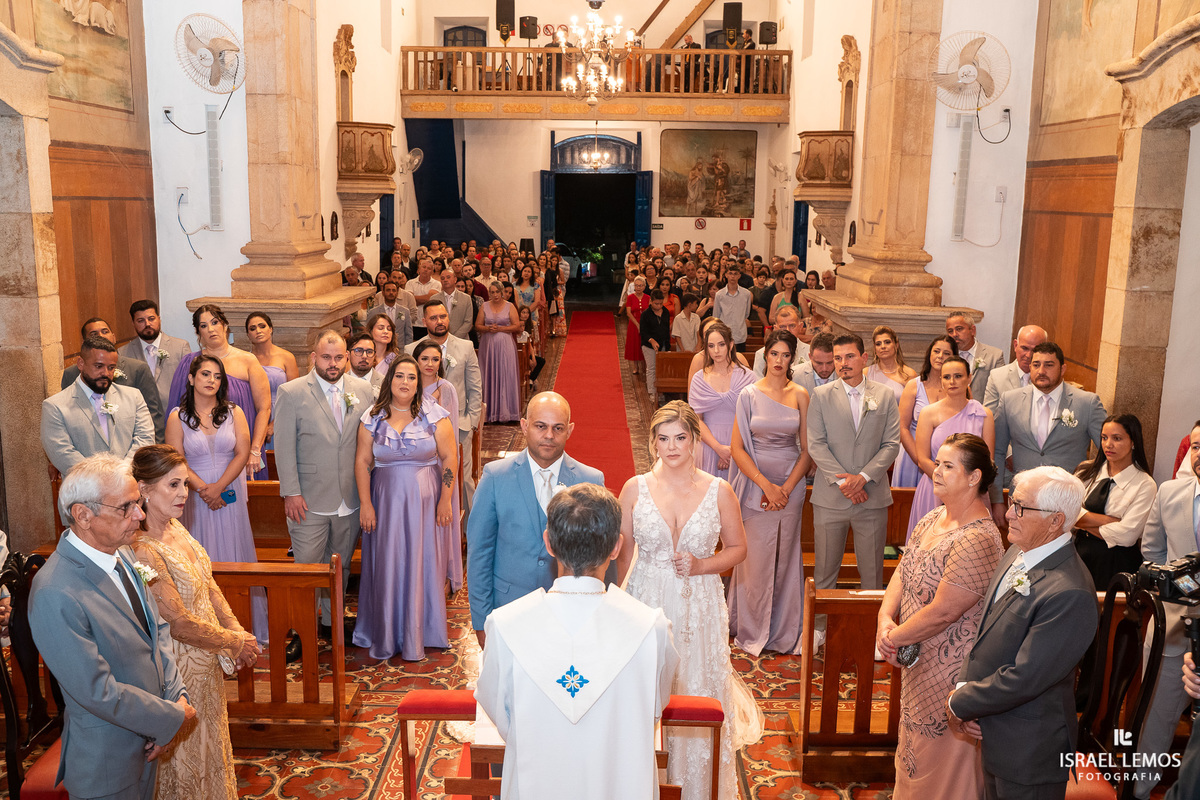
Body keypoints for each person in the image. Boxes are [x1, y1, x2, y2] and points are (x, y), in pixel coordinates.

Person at [475, 483, 679, 800]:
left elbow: (502, 716)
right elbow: (653, 707)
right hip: (620, 782)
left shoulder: (505, 626)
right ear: (616, 547)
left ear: (549, 543)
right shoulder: (651, 628)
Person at [617, 401, 764, 800]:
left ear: (695, 441)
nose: (672, 447)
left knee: (695, 684)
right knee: (649, 691)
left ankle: (696, 786)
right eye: (663, 439)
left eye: (680, 438)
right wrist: (614, 605)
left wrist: (702, 565)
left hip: (699, 605)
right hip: (646, 599)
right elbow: (623, 554)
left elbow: (738, 549)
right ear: (653, 443)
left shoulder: (720, 490)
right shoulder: (634, 488)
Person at [29, 454, 195, 800]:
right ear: (83, 515)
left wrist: (175, 694)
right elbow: (96, 690)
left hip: (147, 742)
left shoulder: (124, 554)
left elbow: (156, 633)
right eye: (126, 507)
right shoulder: (55, 590)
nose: (140, 514)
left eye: (138, 502)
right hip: (107, 761)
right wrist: (169, 718)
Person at [948, 465, 1098, 799]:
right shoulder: (1018, 550)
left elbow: (1026, 676)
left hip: (1030, 750)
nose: (1009, 514)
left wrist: (962, 701)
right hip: (996, 729)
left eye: (1022, 507)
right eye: (1011, 501)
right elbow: (987, 633)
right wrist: (969, 690)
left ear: (1055, 521)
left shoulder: (1070, 591)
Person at [876, 434, 1004, 799]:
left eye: (949, 466)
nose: (937, 471)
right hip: (919, 661)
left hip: (951, 668)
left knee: (945, 760)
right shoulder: (933, 517)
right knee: (913, 747)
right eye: (938, 463)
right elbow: (904, 568)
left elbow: (946, 610)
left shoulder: (978, 536)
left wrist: (894, 637)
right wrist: (886, 617)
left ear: (974, 477)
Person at [131, 445, 260, 800]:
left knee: (211, 750)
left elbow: (209, 584)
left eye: (185, 484)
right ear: (143, 489)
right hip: (179, 668)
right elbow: (178, 622)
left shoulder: (177, 527)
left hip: (207, 664)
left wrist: (238, 632)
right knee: (186, 760)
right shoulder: (144, 548)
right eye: (172, 485)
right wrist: (234, 643)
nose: (183, 494)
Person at [467, 392, 605, 646]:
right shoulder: (496, 477)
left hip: (570, 614)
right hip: (508, 609)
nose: (549, 435)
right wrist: (481, 620)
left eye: (558, 428)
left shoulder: (591, 480)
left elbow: (601, 557)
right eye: (541, 426)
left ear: (570, 430)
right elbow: (480, 553)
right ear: (524, 425)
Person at [273, 331, 374, 658]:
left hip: (350, 498)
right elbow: (284, 446)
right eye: (326, 357)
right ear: (313, 358)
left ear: (347, 358)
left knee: (339, 566)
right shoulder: (291, 392)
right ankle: (303, 631)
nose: (333, 363)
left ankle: (332, 626)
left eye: (338, 357)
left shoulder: (362, 390)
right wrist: (290, 492)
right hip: (309, 500)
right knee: (308, 568)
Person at [354, 355, 458, 661]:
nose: (405, 383)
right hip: (385, 500)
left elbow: (450, 458)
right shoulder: (372, 417)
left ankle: (422, 631)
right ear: (390, 380)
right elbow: (361, 462)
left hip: (425, 500)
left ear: (418, 382)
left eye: (411, 378)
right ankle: (386, 632)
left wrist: (445, 500)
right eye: (399, 376)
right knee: (389, 561)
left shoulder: (435, 415)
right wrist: (365, 504)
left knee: (422, 561)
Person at [166, 354, 268, 639]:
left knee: (236, 551)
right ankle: (207, 630)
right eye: (205, 375)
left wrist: (219, 487)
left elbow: (242, 452)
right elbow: (177, 459)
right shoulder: (178, 416)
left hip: (229, 492)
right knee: (200, 557)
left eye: (217, 376)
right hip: (195, 497)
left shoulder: (234, 412)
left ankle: (244, 624)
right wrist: (203, 489)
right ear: (191, 379)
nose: (211, 381)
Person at [728, 331, 813, 656]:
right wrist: (766, 485)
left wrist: (787, 490)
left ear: (793, 358)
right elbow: (737, 448)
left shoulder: (801, 394)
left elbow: (807, 451)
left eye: (786, 355)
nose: (779, 361)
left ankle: (781, 632)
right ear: (766, 356)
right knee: (756, 560)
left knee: (786, 560)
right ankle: (750, 628)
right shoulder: (748, 395)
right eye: (774, 354)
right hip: (755, 487)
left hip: (790, 489)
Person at [1134, 422, 1200, 800]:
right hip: (1172, 626)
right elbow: (1153, 554)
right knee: (1154, 722)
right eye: (1195, 446)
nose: (1199, 454)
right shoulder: (1171, 493)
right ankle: (1139, 792)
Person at [806, 333, 902, 591]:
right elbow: (816, 444)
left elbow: (892, 443)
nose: (842, 363)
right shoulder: (821, 395)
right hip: (830, 500)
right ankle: (821, 631)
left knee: (872, 575)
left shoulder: (884, 395)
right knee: (825, 574)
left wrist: (863, 478)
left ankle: (873, 630)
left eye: (849, 356)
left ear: (864, 358)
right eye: (838, 358)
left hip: (871, 498)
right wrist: (846, 483)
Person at [990, 342, 1106, 529]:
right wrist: (996, 500)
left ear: (1063, 369)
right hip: (1022, 501)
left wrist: (1093, 489)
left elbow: (1107, 451)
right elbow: (997, 452)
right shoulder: (1009, 401)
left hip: (1066, 503)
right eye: (1036, 365)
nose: (1041, 370)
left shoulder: (1086, 403)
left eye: (1049, 365)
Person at [168, 305, 272, 478]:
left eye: (215, 322)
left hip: (243, 448)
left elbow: (264, 408)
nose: (210, 329)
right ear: (198, 333)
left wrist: (254, 451)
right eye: (203, 326)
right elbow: (177, 412)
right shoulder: (189, 363)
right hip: (200, 454)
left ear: (225, 325)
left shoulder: (248, 360)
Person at [43, 334, 155, 476]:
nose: (106, 373)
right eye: (99, 366)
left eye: (111, 367)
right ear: (81, 364)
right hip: (84, 493)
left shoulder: (133, 396)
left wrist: (124, 472)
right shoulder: (55, 406)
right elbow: (63, 454)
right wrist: (105, 479)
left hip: (128, 485)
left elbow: (145, 439)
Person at [907, 356, 995, 537]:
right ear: (941, 380)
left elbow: (988, 461)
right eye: (946, 377)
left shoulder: (983, 414)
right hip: (935, 487)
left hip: (972, 491)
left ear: (969, 378)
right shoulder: (929, 413)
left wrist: (963, 487)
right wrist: (946, 483)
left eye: (958, 376)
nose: (952, 381)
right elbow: (922, 458)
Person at [1072, 413, 1156, 589]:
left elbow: (1127, 536)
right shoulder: (1085, 472)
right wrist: (1110, 521)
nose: (1108, 444)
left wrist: (1081, 519)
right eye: (1104, 438)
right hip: (1079, 553)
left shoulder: (1145, 484)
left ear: (1133, 442)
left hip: (1117, 561)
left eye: (1117, 438)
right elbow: (1066, 513)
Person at [412, 338, 464, 590]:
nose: (430, 364)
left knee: (438, 517)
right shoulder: (406, 385)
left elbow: (450, 433)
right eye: (425, 359)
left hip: (438, 463)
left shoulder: (447, 389)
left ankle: (440, 569)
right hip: (413, 463)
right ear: (416, 361)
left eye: (435, 359)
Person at [64, 318, 166, 443]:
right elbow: (68, 414)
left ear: (114, 337)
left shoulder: (137, 369)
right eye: (94, 334)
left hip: (132, 445)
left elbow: (154, 415)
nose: (101, 336)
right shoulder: (71, 374)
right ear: (85, 341)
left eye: (105, 331)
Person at [688, 321, 756, 482]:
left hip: (741, 444)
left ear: (731, 345)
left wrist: (733, 449)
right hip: (709, 444)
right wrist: (718, 449)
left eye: (721, 344)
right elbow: (697, 419)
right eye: (711, 346)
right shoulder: (699, 379)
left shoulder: (748, 377)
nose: (716, 351)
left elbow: (752, 418)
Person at [895, 336, 958, 489]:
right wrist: (921, 461)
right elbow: (902, 427)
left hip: (948, 457)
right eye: (936, 351)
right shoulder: (913, 386)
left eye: (946, 353)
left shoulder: (960, 388)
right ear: (929, 354)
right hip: (912, 455)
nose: (940, 356)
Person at [245, 311, 299, 473]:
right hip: (254, 415)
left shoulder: (286, 357)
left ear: (271, 329)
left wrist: (274, 424)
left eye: (262, 326)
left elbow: (295, 395)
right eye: (252, 328)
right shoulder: (245, 359)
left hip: (282, 416)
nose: (258, 331)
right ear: (248, 335)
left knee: (282, 466)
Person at [121, 299, 190, 413]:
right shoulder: (123, 353)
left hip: (175, 414)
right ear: (133, 323)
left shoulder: (181, 347)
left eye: (151, 319)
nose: (147, 324)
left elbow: (189, 384)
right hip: (139, 417)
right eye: (140, 320)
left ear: (159, 319)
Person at [476, 281, 522, 423]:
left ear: (502, 292)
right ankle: (489, 413)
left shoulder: (510, 306)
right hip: (488, 345)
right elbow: (477, 325)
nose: (495, 295)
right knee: (488, 374)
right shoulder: (484, 306)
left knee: (504, 374)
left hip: (505, 345)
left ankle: (505, 412)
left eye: (497, 292)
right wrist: (487, 329)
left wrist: (501, 329)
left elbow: (517, 325)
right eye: (492, 292)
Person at [982, 325, 1049, 411]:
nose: (1029, 355)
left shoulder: (1049, 377)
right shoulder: (997, 377)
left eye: (1035, 350)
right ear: (1015, 345)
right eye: (1024, 348)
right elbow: (989, 416)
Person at [945, 313, 1005, 402]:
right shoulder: (945, 356)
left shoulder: (994, 356)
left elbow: (1000, 391)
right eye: (950, 331)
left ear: (972, 330)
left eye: (959, 329)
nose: (954, 334)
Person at [751, 306, 808, 377]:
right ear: (775, 328)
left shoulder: (810, 352)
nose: (788, 330)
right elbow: (758, 384)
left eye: (792, 326)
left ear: (800, 326)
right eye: (782, 326)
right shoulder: (761, 354)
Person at [641, 289, 673, 402]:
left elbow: (666, 330)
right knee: (652, 368)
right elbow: (643, 332)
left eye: (661, 303)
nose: (659, 306)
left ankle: (661, 391)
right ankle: (652, 392)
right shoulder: (645, 314)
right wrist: (652, 340)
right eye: (656, 304)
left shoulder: (665, 312)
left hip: (663, 344)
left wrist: (667, 345)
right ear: (651, 301)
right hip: (649, 346)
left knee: (662, 369)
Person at [712, 265, 754, 351]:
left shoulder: (746, 294)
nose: (732, 276)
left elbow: (746, 314)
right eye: (730, 273)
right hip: (724, 335)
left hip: (740, 334)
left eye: (735, 274)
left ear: (739, 276)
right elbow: (716, 316)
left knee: (739, 361)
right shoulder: (719, 294)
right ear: (726, 275)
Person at [624, 275, 651, 378]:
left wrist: (644, 325)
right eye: (636, 285)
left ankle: (644, 366)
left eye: (640, 285)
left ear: (644, 286)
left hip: (645, 323)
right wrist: (637, 324)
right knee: (634, 345)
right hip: (633, 323)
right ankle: (635, 366)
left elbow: (649, 311)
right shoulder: (630, 297)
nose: (638, 287)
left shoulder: (648, 298)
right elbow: (628, 313)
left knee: (644, 344)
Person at [369, 310, 403, 379]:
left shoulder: (395, 360)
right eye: (381, 328)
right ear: (371, 331)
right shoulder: (363, 356)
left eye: (389, 329)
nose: (385, 331)